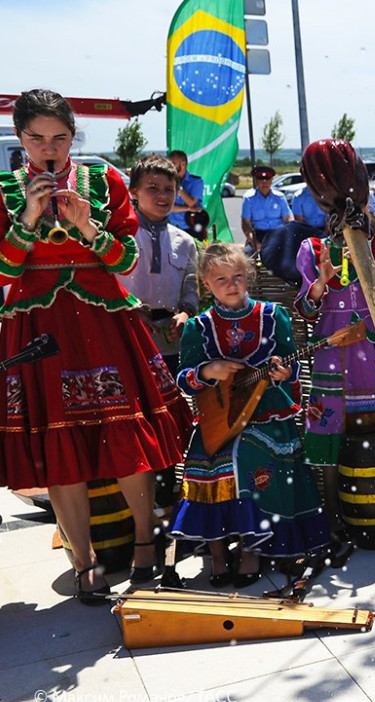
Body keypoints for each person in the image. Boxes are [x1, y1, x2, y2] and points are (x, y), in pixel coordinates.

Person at [0, 89, 191, 603]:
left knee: (125, 432)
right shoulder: (3, 188)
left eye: (60, 137)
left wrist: (86, 224)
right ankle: (84, 563)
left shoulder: (102, 181)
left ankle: (147, 544)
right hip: (40, 326)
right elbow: (4, 269)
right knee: (56, 446)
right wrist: (27, 221)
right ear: (21, 138)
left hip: (103, 319)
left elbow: (125, 260)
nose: (50, 147)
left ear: (72, 137)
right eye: (37, 138)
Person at [170, 243, 331, 587]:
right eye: (222, 279)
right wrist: (209, 371)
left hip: (268, 414)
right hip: (218, 420)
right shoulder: (198, 327)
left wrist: (283, 374)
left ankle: (250, 550)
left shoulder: (273, 317)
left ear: (248, 277)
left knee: (244, 457)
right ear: (205, 284)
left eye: (238, 277)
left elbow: (293, 362)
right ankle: (216, 554)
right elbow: (184, 378)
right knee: (203, 463)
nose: (232, 284)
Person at [294, 195, 375, 553]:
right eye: (338, 212)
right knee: (329, 432)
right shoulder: (311, 250)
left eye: (356, 210)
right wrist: (321, 281)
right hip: (332, 355)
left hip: (373, 351)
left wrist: (366, 265)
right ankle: (332, 515)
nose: (347, 218)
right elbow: (307, 307)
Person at [119, 154, 200, 374]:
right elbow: (103, 286)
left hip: (169, 346)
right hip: (126, 340)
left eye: (169, 189)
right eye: (152, 188)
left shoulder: (185, 242)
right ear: (133, 192)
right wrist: (131, 313)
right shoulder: (119, 237)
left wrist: (185, 315)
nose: (162, 195)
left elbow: (191, 289)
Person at [240, 165, 292, 254]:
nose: (264, 182)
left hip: (277, 234)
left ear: (272, 181)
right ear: (256, 181)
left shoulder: (280, 198)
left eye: (267, 179)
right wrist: (254, 242)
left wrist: (284, 238)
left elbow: (288, 220)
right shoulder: (249, 198)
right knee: (247, 258)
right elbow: (245, 223)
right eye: (260, 179)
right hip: (257, 235)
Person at [167, 150, 205, 233]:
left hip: (192, 228)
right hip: (172, 229)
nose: (169, 166)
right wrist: (188, 209)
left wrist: (178, 189)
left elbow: (191, 203)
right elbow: (168, 207)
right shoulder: (168, 181)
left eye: (173, 163)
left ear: (183, 164)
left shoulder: (196, 182)